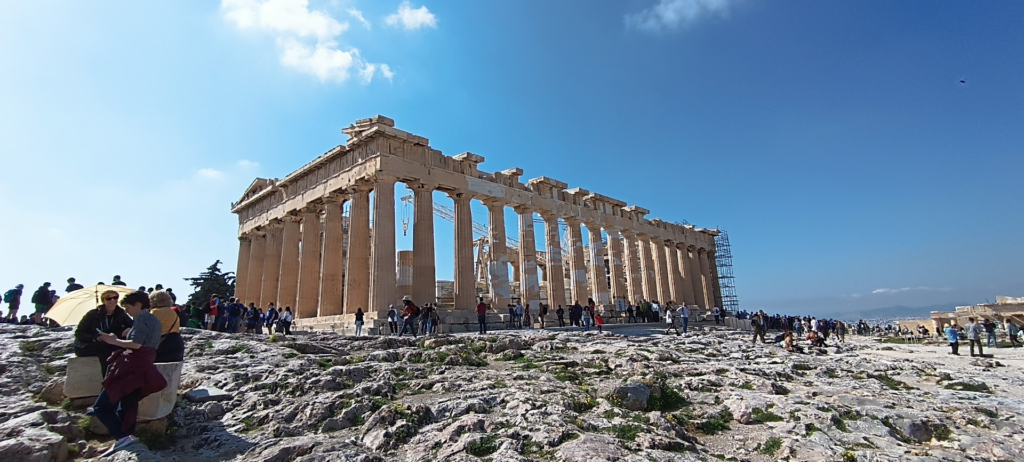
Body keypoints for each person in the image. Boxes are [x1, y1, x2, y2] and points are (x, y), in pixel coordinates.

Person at [92, 291, 167, 457]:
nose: (126, 311)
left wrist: (114, 340)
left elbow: (136, 344)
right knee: (128, 405)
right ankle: (127, 438)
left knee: (101, 407)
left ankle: (122, 437)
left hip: (131, 367)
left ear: (138, 304)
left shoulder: (141, 319)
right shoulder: (153, 319)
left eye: (127, 307)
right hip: (143, 366)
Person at [74, 290, 134, 376]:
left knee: (120, 348)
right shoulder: (92, 314)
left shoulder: (121, 314)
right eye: (109, 298)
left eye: (115, 297)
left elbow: (132, 327)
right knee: (107, 349)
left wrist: (122, 333)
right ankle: (108, 380)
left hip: (111, 343)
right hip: (88, 344)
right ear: (103, 300)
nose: (112, 300)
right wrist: (96, 338)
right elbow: (79, 332)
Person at [149, 291, 185, 363]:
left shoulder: (156, 311)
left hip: (163, 344)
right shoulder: (173, 312)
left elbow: (150, 329)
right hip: (177, 342)